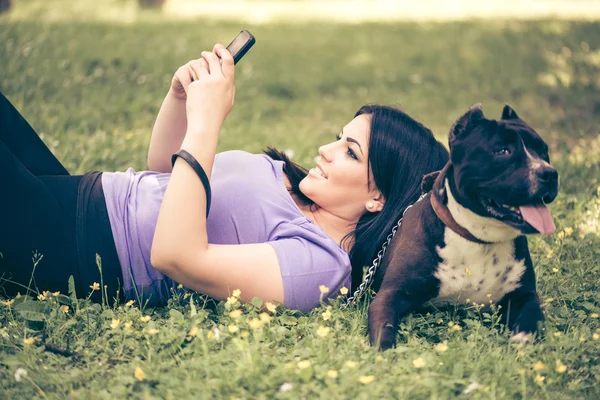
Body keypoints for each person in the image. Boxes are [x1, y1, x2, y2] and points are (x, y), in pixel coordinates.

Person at [0, 43, 449, 313]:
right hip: (79, 191)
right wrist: (181, 100)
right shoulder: (290, 183)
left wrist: (206, 124)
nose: (325, 150)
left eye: (350, 152)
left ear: (377, 198)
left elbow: (176, 256)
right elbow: (165, 171)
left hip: (76, 247)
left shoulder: (320, 265)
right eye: (338, 137)